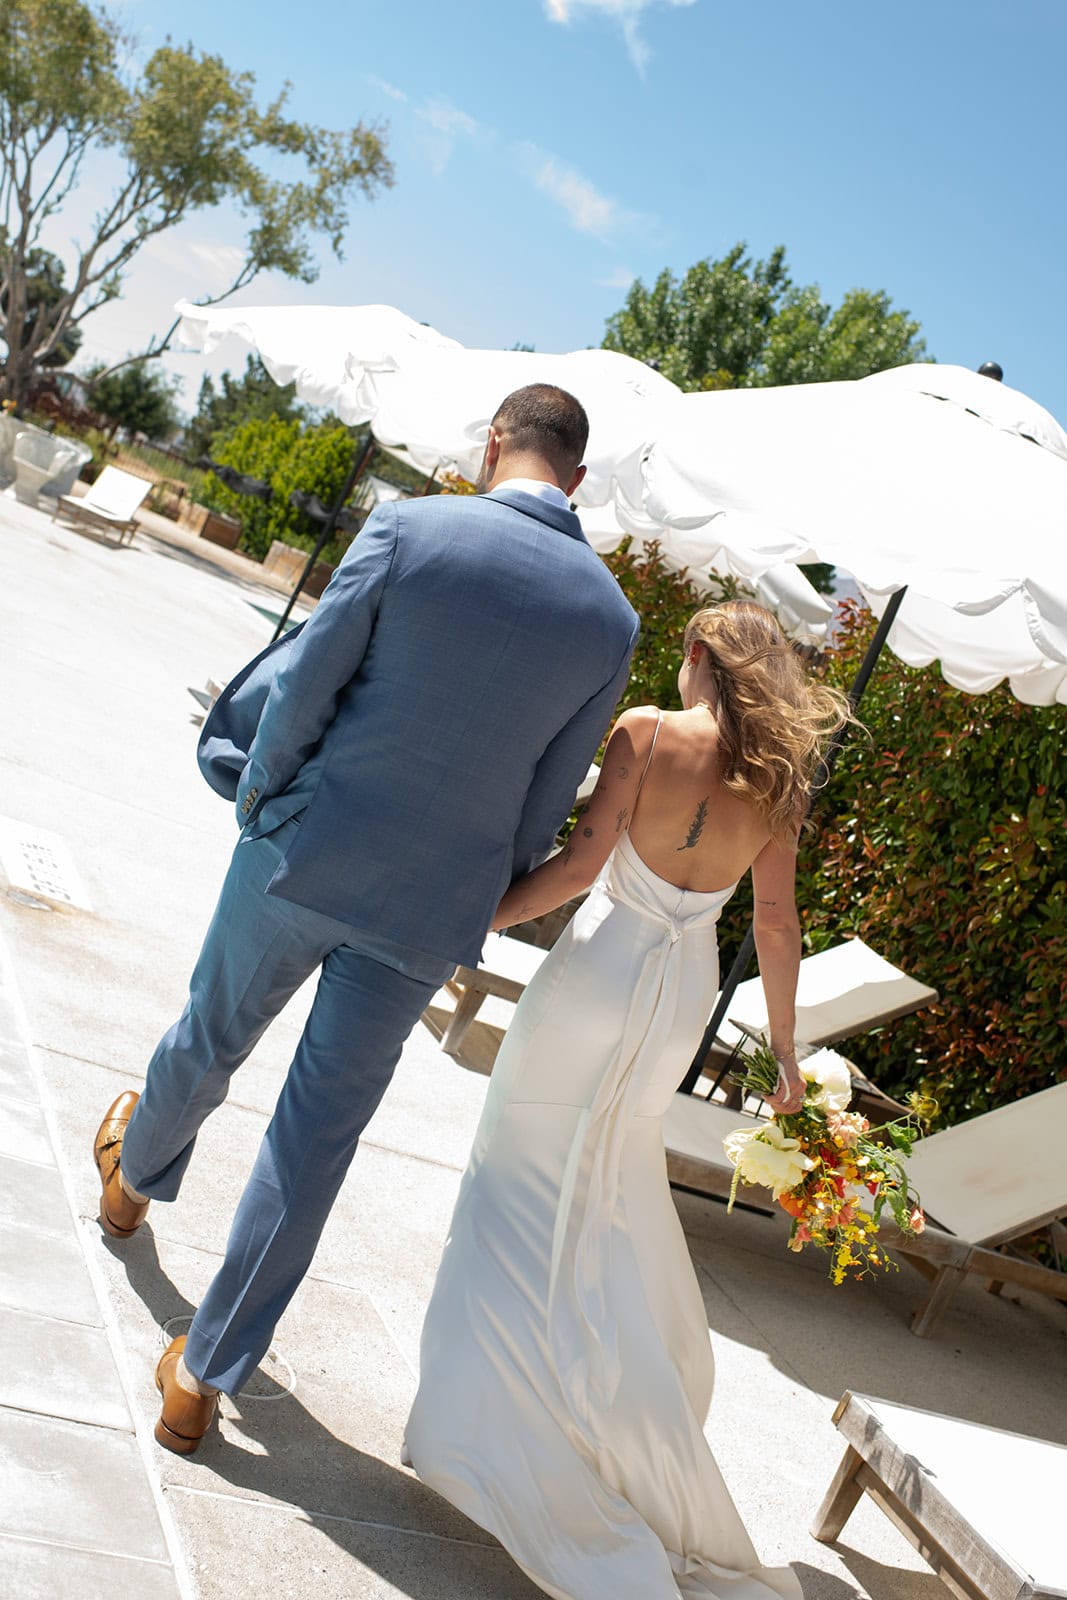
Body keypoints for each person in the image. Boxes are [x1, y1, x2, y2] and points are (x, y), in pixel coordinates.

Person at [91, 384, 639, 1454]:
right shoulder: (610, 622)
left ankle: (132, 1184)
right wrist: (467, 898)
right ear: (574, 481)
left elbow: (308, 687)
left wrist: (259, 800)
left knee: (213, 1031)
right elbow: (544, 799)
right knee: (316, 1139)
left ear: (494, 445)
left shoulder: (409, 526)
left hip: (304, 850)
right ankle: (200, 1378)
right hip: (428, 911)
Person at [405, 600, 851, 1600]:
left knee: (507, 1187)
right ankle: (612, 1413)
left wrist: (464, 919)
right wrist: (783, 1055)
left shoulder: (645, 732)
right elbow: (773, 927)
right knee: (606, 1193)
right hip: (676, 1001)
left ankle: (500, 1432)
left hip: (597, 977)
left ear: (695, 656)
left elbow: (575, 867)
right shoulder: (776, 782)